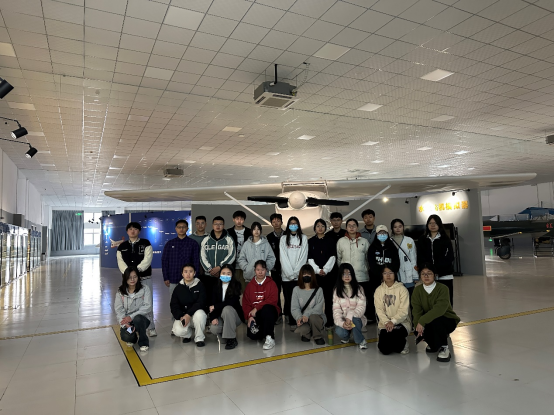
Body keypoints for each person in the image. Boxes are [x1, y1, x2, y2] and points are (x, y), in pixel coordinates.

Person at [412, 263, 460, 362]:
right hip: (428, 321)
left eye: (429, 273)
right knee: (421, 330)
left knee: (437, 320)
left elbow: (439, 309)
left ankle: (444, 348)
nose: (426, 276)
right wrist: (418, 325)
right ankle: (434, 343)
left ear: (435, 275)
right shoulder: (417, 290)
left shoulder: (443, 288)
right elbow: (416, 310)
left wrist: (422, 321)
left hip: (446, 320)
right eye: (423, 274)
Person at [116, 222, 156, 337]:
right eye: (130, 229)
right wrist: (129, 275)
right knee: (128, 303)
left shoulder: (146, 243)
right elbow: (120, 262)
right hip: (128, 281)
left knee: (148, 303)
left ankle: (151, 327)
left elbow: (147, 259)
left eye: (135, 229)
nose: (132, 231)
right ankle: (130, 325)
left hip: (144, 278)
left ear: (139, 231)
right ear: (127, 231)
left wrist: (136, 271)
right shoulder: (122, 247)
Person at [161, 219, 200, 330]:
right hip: (173, 278)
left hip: (190, 279)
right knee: (175, 303)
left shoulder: (192, 243)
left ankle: (190, 324)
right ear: (176, 229)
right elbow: (164, 261)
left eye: (183, 227)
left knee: (191, 301)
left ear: (187, 229)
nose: (181, 229)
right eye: (179, 227)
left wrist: (195, 277)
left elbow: (196, 261)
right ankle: (176, 325)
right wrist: (166, 277)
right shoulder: (170, 244)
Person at [336, 218, 370, 322]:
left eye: (354, 225)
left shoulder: (364, 241)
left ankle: (362, 322)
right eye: (349, 225)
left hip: (362, 277)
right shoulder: (341, 241)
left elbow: (368, 259)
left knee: (361, 301)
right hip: (347, 278)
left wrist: (365, 269)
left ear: (357, 227)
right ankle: (347, 321)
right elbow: (339, 259)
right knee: (348, 301)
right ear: (346, 228)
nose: (351, 227)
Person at [417, 214, 455, 306]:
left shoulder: (445, 239)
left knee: (446, 299)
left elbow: (449, 257)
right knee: (430, 300)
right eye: (430, 223)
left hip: (445, 275)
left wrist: (437, 270)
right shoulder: (422, 239)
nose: (432, 225)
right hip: (428, 276)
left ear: (439, 224)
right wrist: (429, 271)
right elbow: (420, 257)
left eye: (435, 223)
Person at [242, 260, 280, 350]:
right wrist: (249, 316)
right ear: (254, 270)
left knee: (267, 308)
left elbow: (273, 300)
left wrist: (257, 308)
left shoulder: (271, 283)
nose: (260, 272)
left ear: (266, 270)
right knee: (253, 335)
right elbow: (245, 303)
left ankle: (270, 337)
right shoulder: (250, 286)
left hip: (270, 312)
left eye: (262, 270)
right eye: (258, 270)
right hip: (255, 314)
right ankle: (264, 331)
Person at [280, 216, 309, 330]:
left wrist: (296, 273)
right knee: (289, 299)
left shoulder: (303, 238)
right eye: (291, 223)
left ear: (298, 225)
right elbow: (283, 257)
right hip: (286, 276)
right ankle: (292, 321)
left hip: (299, 276)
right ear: (288, 225)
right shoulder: (283, 239)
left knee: (299, 300)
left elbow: (303, 256)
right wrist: (289, 274)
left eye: (295, 223)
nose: (293, 225)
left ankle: (300, 320)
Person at [374, 266, 411, 355]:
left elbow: (403, 311)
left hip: (401, 322)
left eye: (390, 273)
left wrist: (393, 321)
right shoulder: (378, 290)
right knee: (384, 350)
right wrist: (387, 322)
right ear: (382, 275)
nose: (388, 275)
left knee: (398, 348)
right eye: (385, 273)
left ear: (395, 274)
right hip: (385, 323)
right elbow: (379, 310)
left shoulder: (402, 289)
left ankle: (404, 343)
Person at [114, 266, 152, 352]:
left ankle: (143, 342)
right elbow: (119, 310)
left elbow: (148, 306)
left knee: (138, 319)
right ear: (125, 278)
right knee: (126, 336)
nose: (132, 279)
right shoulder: (120, 291)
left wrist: (131, 317)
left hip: (142, 319)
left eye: (135, 277)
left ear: (138, 277)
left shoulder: (145, 289)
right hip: (127, 321)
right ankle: (133, 337)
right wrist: (125, 324)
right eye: (129, 277)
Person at [367, 225, 400, 321]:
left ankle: (392, 317)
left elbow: (396, 263)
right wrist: (381, 275)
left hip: (391, 279)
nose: (382, 235)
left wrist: (388, 274)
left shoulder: (392, 247)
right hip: (376, 279)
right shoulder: (372, 248)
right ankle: (379, 318)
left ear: (387, 234)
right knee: (378, 299)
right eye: (380, 233)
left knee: (391, 299)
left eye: (384, 233)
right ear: (376, 234)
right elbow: (371, 264)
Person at [200, 216, 235, 305]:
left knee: (222, 298)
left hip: (223, 276)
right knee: (208, 298)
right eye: (216, 224)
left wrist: (220, 267)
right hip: (209, 275)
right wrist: (210, 269)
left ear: (224, 225)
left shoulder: (229, 239)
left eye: (220, 224)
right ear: (212, 225)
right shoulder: (206, 239)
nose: (218, 226)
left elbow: (232, 255)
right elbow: (202, 256)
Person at [170, 263, 208, 347]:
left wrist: (188, 314)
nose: (188, 274)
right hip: (184, 315)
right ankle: (188, 335)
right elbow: (174, 305)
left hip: (196, 314)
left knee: (200, 314)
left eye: (190, 271)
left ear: (194, 273)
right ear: (182, 273)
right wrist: (181, 316)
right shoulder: (178, 288)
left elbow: (201, 302)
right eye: (185, 272)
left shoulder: (200, 285)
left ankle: (199, 338)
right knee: (177, 331)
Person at [308, 218, 336, 328]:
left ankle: (329, 321)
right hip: (315, 276)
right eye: (318, 226)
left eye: (322, 226)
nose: (320, 228)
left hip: (328, 275)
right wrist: (317, 270)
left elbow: (333, 257)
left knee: (328, 299)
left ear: (325, 228)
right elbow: (309, 258)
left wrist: (325, 270)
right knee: (315, 300)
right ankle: (316, 322)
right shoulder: (310, 241)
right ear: (314, 228)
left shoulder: (330, 240)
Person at [209, 264, 244, 350]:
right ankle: (227, 333)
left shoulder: (236, 285)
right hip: (220, 315)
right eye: (223, 273)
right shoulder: (215, 285)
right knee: (214, 328)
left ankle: (231, 339)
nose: (225, 275)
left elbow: (231, 302)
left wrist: (216, 306)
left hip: (234, 316)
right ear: (220, 274)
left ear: (232, 275)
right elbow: (212, 303)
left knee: (227, 309)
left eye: (228, 274)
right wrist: (213, 317)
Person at [333, 263, 367, 349]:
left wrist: (350, 316)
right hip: (345, 320)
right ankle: (347, 337)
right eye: (344, 274)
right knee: (339, 331)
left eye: (349, 274)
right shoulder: (337, 290)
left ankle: (360, 340)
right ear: (340, 276)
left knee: (355, 320)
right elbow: (336, 310)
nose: (347, 276)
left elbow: (361, 307)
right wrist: (342, 323)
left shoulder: (359, 288)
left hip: (357, 319)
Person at [291, 264, 326, 345]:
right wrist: (299, 318)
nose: (306, 276)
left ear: (312, 275)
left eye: (309, 274)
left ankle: (318, 336)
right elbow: (294, 308)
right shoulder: (296, 290)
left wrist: (307, 314)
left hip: (316, 317)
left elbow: (319, 308)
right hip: (304, 319)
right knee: (303, 331)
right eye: (304, 274)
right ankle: (307, 333)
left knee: (313, 317)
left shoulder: (319, 290)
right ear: (301, 275)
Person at [237, 221, 276, 292]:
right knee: (250, 296)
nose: (256, 231)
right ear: (251, 231)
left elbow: (271, 258)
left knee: (263, 296)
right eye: (254, 229)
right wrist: (246, 268)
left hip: (263, 278)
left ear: (260, 231)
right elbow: (241, 258)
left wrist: (266, 268)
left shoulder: (266, 244)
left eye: (258, 229)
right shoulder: (247, 244)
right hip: (249, 277)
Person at [390, 219, 419, 296]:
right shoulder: (389, 241)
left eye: (400, 226)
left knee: (410, 297)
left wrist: (415, 276)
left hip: (408, 273)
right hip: (395, 273)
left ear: (403, 227)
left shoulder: (409, 240)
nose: (398, 228)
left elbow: (413, 258)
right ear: (392, 228)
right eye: (395, 227)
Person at [227, 210, 252, 290]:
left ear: (244, 220)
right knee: (233, 288)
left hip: (246, 264)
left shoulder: (249, 232)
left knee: (246, 288)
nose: (239, 221)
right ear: (233, 219)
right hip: (232, 264)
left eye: (241, 219)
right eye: (237, 219)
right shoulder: (228, 232)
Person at [266, 213, 285, 323]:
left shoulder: (287, 235)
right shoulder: (269, 237)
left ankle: (288, 314)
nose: (276, 223)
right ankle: (278, 314)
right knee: (276, 293)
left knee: (288, 293)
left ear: (282, 222)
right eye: (274, 221)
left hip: (287, 269)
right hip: (274, 269)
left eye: (278, 221)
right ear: (271, 223)